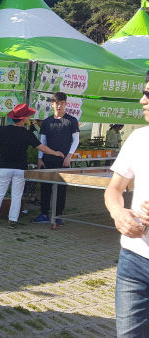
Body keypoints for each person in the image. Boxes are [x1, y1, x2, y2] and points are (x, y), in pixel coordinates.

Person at [104, 82, 149, 337]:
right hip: (134, 260)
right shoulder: (139, 139)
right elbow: (114, 190)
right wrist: (118, 214)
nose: (143, 100)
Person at [0, 104, 64, 228]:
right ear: (24, 118)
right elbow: (42, 148)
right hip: (20, 169)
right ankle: (12, 221)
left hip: (4, 167)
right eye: (27, 117)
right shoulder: (27, 134)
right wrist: (55, 153)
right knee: (17, 195)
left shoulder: (3, 130)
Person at [33, 92, 80, 228]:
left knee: (61, 189)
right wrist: (40, 159)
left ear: (66, 104)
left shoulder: (71, 120)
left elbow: (76, 140)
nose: (59, 105)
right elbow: (43, 141)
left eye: (62, 103)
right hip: (47, 160)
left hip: (64, 161)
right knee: (45, 188)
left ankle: (58, 215)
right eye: (57, 103)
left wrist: (69, 156)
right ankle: (44, 214)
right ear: (52, 104)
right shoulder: (47, 122)